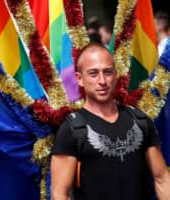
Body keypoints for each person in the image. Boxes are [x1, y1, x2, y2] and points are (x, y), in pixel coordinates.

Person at [51, 43, 170, 200]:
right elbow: (60, 193)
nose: (102, 81)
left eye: (107, 72)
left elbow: (162, 179)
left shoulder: (140, 120)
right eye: (93, 74)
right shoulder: (72, 129)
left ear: (115, 75)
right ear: (80, 79)